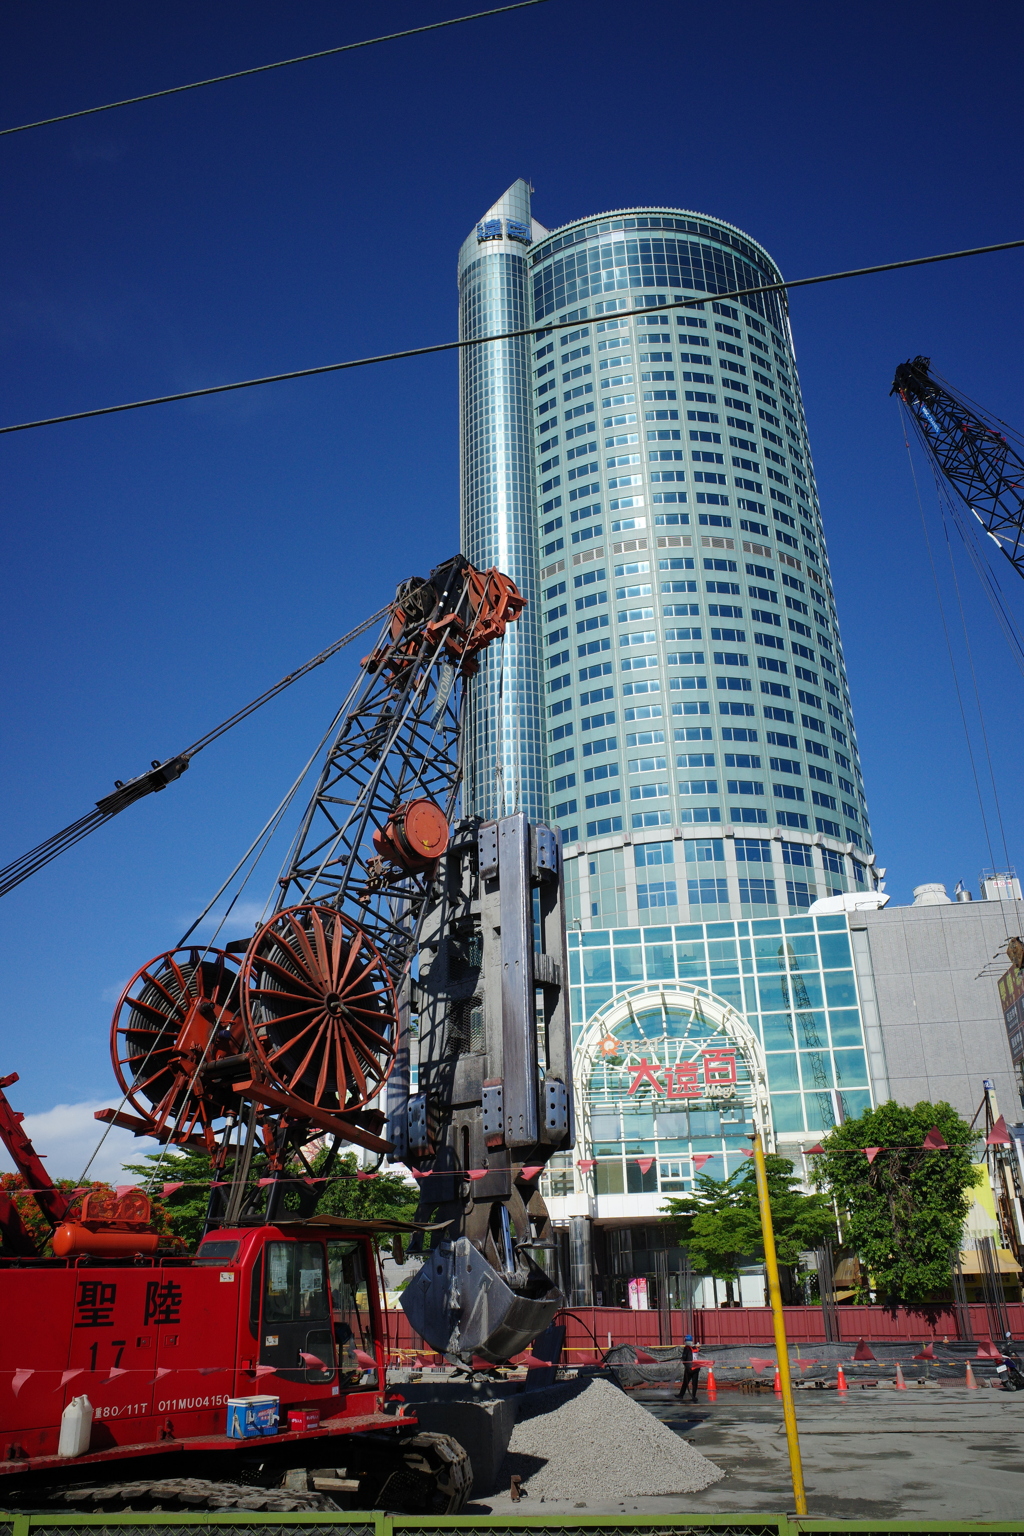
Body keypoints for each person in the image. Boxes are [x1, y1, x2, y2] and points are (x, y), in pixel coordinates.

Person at [677, 1334, 701, 1402]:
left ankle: (681, 1395)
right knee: (695, 1383)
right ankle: (694, 1396)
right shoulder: (695, 1348)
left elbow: (684, 1358)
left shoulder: (686, 1348)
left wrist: (684, 1364)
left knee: (685, 1382)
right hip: (696, 1367)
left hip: (689, 1368)